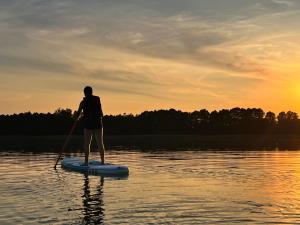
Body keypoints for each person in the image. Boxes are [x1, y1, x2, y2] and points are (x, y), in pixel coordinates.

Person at [75, 86, 105, 165]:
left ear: (85, 93)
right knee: (100, 143)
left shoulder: (83, 102)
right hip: (97, 124)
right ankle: (102, 162)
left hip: (89, 125)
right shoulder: (97, 99)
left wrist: (76, 117)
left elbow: (78, 113)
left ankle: (86, 162)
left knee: (87, 144)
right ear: (92, 92)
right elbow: (101, 113)